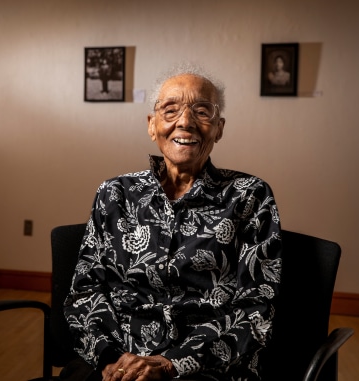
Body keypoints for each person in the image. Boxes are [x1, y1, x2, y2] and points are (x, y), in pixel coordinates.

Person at [63, 65, 282, 381]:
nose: (186, 122)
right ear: (152, 126)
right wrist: (113, 358)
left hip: (207, 365)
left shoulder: (249, 196)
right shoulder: (114, 194)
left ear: (218, 128)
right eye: (170, 110)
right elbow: (84, 292)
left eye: (202, 112)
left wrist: (171, 365)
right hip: (116, 359)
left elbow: (258, 308)